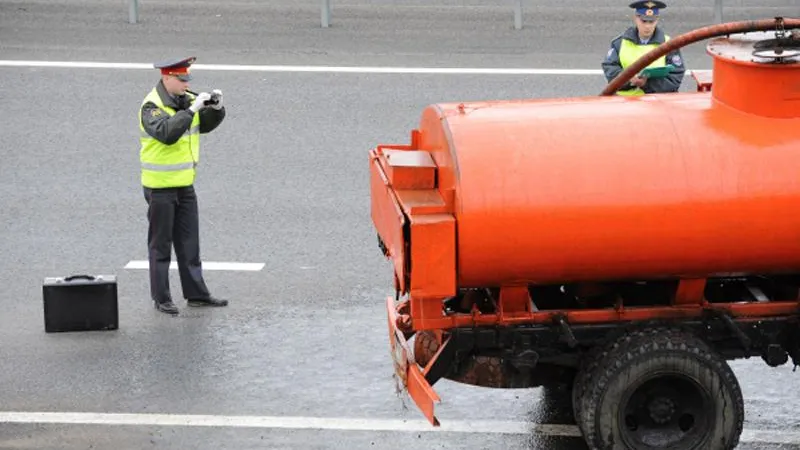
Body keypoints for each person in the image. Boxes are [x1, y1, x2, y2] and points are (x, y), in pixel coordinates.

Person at [138, 56, 229, 315]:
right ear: (166, 78)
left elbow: (202, 127)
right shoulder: (151, 107)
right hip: (160, 186)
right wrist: (191, 111)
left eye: (186, 79)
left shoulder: (188, 99)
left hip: (185, 184)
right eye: (180, 79)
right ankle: (162, 298)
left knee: (190, 243)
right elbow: (167, 134)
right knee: (161, 244)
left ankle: (197, 294)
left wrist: (216, 109)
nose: (185, 84)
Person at [602, 1, 685, 96]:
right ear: (636, 18)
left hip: (656, 104)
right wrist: (629, 79)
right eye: (644, 21)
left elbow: (675, 79)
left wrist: (647, 84)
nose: (647, 26)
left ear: (657, 20)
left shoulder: (669, 45)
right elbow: (610, 71)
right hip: (625, 103)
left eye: (651, 21)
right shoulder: (620, 43)